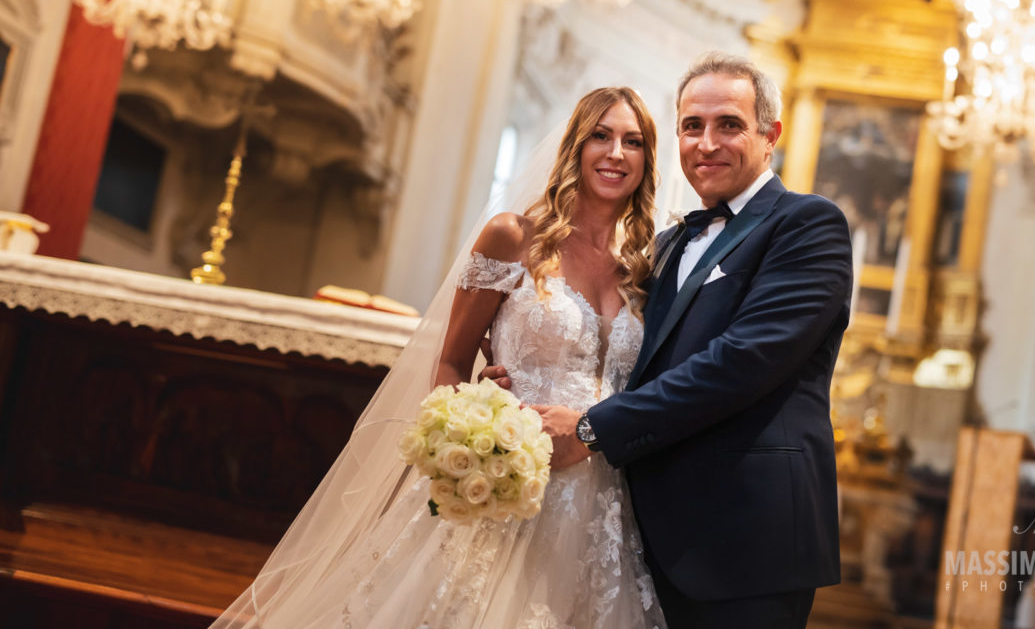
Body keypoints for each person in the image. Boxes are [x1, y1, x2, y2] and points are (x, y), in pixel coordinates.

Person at [210, 86, 667, 628]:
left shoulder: (643, 271)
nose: (616, 153)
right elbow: (451, 363)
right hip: (507, 479)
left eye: (632, 141)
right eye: (601, 135)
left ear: (646, 160)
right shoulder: (512, 237)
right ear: (575, 145)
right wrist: (471, 443)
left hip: (604, 498)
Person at [488, 52, 853, 628]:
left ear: (769, 135)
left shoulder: (807, 224)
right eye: (692, 126)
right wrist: (507, 368)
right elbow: (616, 354)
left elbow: (742, 361)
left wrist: (590, 427)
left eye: (729, 124)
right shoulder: (664, 247)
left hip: (747, 539)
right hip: (641, 535)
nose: (707, 143)